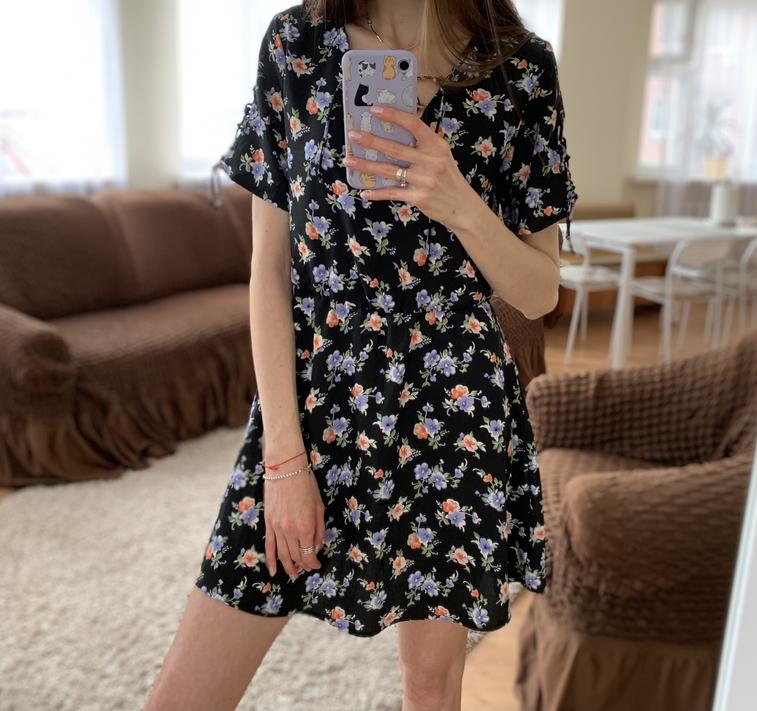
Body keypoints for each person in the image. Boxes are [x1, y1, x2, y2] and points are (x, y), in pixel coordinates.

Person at [143, 1, 577, 709]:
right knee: (184, 694)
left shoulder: (520, 66)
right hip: (318, 398)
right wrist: (284, 459)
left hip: (455, 410)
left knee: (429, 685)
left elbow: (538, 292)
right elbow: (269, 269)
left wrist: (455, 198)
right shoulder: (296, 44)